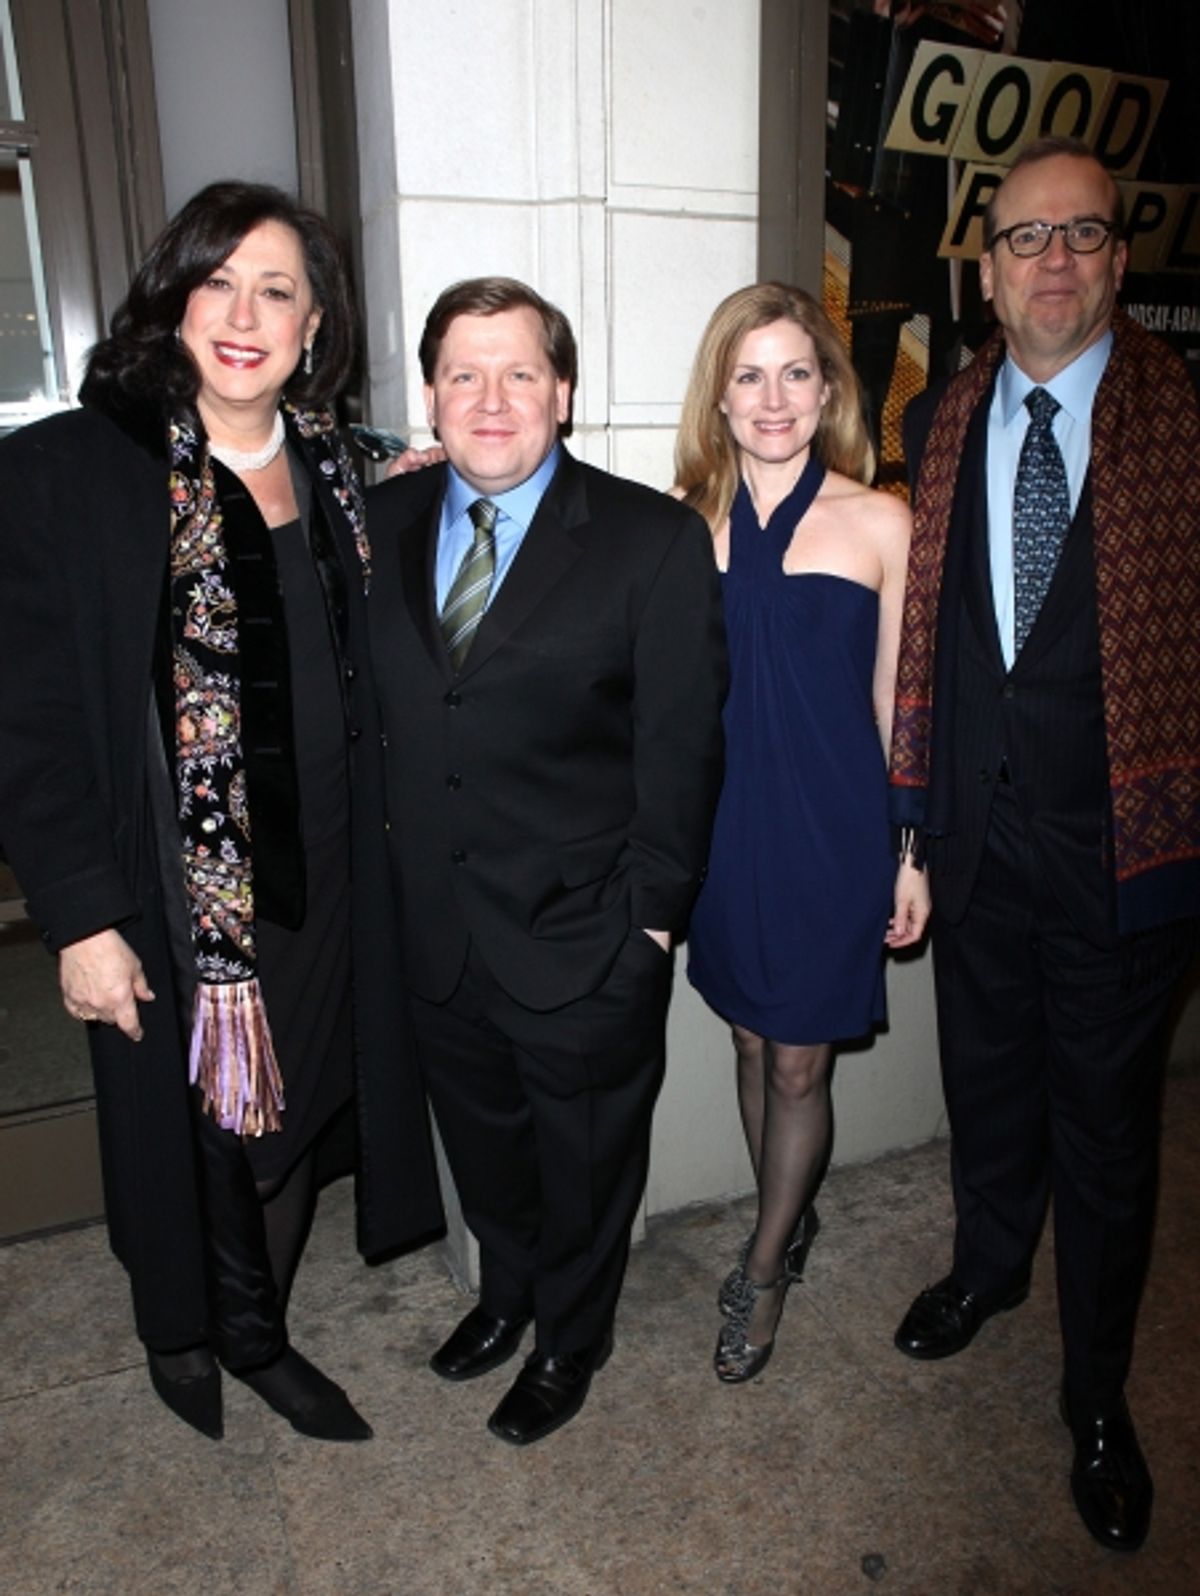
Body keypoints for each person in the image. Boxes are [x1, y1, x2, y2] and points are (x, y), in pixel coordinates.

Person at [0, 182, 442, 1444]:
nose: (244, 315)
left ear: (317, 323)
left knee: (288, 1120)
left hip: (329, 880)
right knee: (189, 1139)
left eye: (278, 290)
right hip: (165, 892)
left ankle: (257, 1332)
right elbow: (22, 726)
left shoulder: (349, 477)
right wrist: (80, 915)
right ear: (173, 296)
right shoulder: (68, 472)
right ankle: (182, 1331)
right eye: (219, 282)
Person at [888, 137, 1200, 1551]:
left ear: (1119, 262)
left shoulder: (1182, 418)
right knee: (988, 1085)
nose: (1054, 261)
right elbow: (932, 640)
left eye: (1082, 236)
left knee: (1109, 1137)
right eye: (1025, 239)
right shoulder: (941, 420)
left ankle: (1095, 1398)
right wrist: (915, 821)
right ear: (986, 272)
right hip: (977, 844)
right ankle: (988, 1267)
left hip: (1125, 849)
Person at [368, 276, 727, 1445]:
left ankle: (573, 1339)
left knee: (583, 1170)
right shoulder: (381, 526)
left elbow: (683, 751)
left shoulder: (650, 541)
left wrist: (650, 929)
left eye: (519, 372)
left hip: (585, 938)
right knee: (488, 1153)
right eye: (463, 374)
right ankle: (507, 1297)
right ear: (429, 395)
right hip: (439, 934)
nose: (490, 398)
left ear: (561, 392)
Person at [674, 283, 919, 1383]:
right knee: (744, 1039)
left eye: (795, 373)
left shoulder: (880, 521)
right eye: (749, 374)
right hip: (724, 835)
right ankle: (789, 1212)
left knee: (797, 1069)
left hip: (833, 837)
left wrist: (912, 851)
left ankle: (765, 1263)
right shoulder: (682, 528)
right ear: (719, 398)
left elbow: (895, 707)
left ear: (827, 392)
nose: (773, 398)